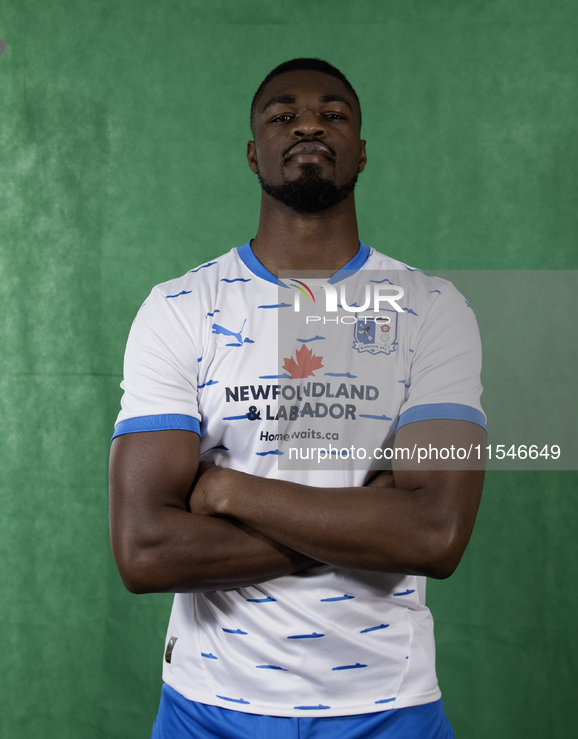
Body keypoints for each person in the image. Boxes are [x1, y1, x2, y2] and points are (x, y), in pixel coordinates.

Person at [109, 58, 487, 738]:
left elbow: (435, 534)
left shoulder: (432, 308)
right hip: (208, 705)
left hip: (387, 705)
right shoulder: (178, 308)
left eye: (332, 113)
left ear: (362, 152)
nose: (309, 122)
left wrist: (227, 491)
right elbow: (145, 550)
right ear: (254, 154)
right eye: (283, 115)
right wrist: (368, 522)